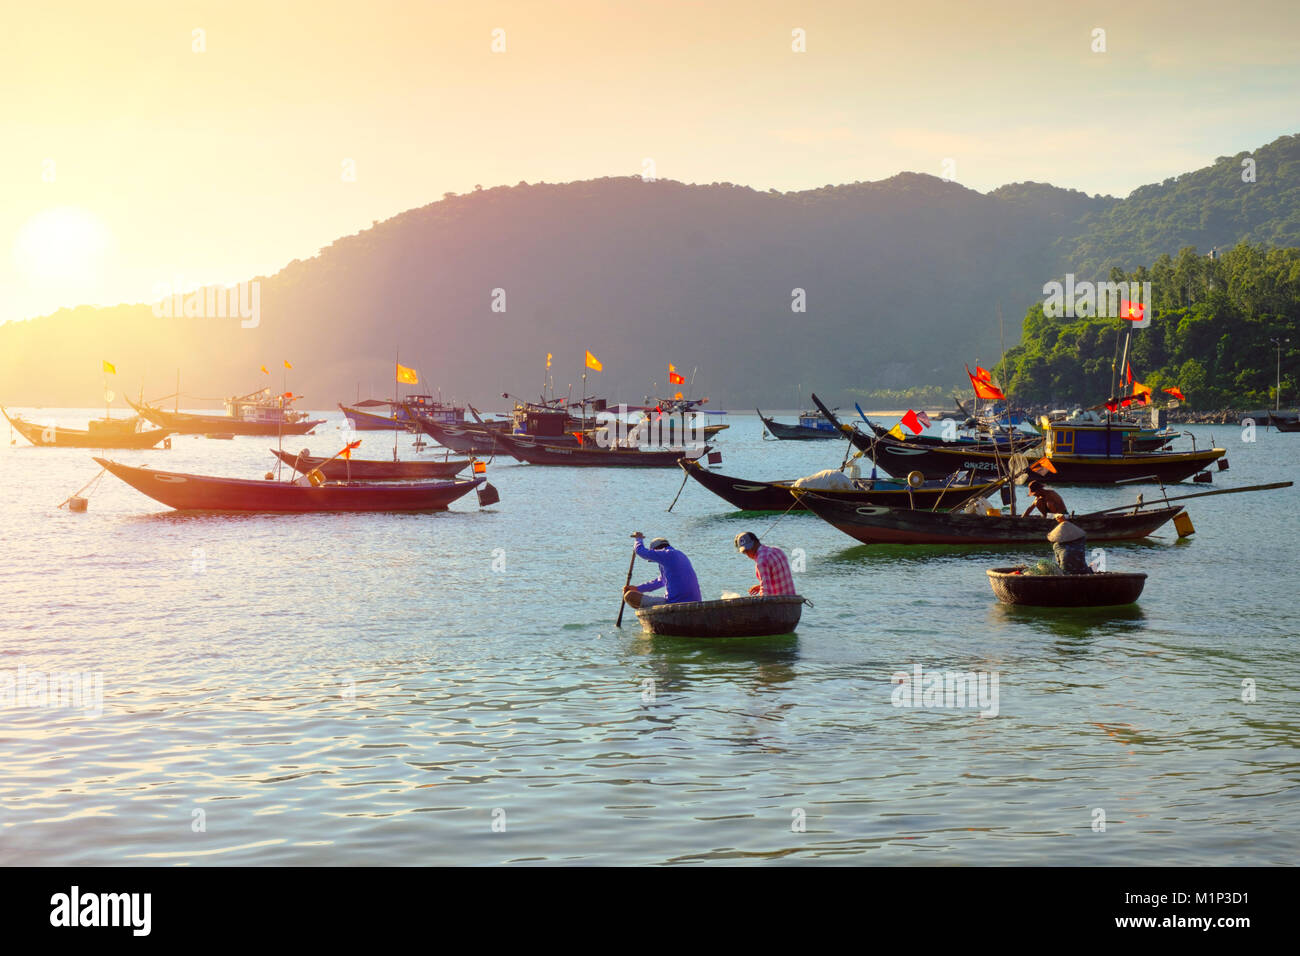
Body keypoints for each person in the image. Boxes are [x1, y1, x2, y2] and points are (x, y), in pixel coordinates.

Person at [622, 533, 702, 608]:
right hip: (696, 601)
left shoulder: (666, 554)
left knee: (629, 596)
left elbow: (640, 551)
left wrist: (638, 539)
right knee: (635, 593)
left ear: (656, 550)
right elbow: (660, 581)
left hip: (674, 603)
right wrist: (637, 589)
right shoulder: (680, 555)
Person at [734, 531, 797, 596]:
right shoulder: (778, 550)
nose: (748, 553)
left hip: (780, 604)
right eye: (745, 551)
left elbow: (766, 594)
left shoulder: (761, 561)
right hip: (792, 600)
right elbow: (780, 579)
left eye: (749, 548)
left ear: (756, 542)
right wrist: (760, 586)